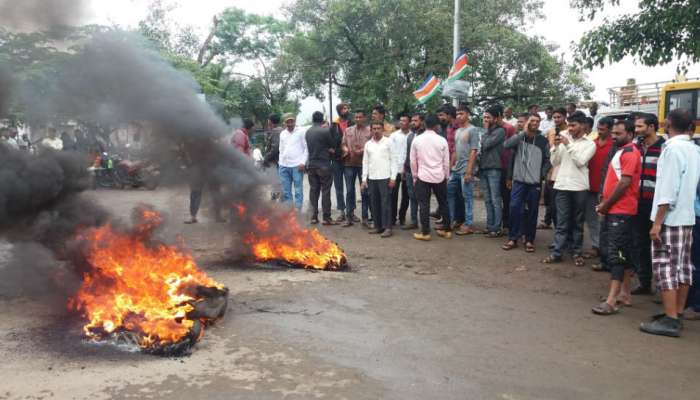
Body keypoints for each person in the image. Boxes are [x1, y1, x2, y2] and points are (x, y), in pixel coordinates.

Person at [640, 109, 700, 337]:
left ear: (667, 124)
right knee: (683, 267)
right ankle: (676, 312)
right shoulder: (694, 149)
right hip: (687, 216)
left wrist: (657, 223)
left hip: (671, 218)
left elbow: (667, 189)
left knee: (665, 267)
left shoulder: (672, 150)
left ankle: (671, 319)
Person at [591, 119, 641, 315]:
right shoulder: (622, 152)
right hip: (617, 210)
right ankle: (624, 294)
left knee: (616, 256)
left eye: (618, 134)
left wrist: (606, 204)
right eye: (613, 133)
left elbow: (624, 183)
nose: (614, 137)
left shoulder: (629, 153)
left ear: (630, 134)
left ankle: (611, 301)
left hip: (621, 211)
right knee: (623, 253)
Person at [542, 111, 595, 266]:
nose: (570, 128)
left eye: (573, 125)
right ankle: (557, 252)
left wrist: (567, 144)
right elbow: (554, 161)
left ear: (583, 126)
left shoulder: (590, 144)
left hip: (579, 187)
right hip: (562, 185)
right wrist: (556, 147)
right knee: (562, 222)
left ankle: (576, 252)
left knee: (578, 222)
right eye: (569, 125)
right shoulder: (564, 138)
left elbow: (580, 161)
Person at [502, 113, 550, 252]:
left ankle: (529, 240)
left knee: (533, 211)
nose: (535, 123)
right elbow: (506, 145)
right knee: (515, 208)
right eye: (532, 120)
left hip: (534, 183)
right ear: (526, 122)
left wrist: (541, 175)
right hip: (519, 181)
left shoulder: (543, 141)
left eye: (537, 121)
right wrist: (523, 132)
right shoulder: (519, 138)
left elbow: (548, 160)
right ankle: (513, 238)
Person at [631, 113, 665, 296]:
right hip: (638, 203)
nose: (636, 130)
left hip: (658, 205)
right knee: (640, 244)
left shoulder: (665, 148)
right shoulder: (636, 147)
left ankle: (663, 288)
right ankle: (644, 282)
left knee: (660, 245)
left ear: (652, 127)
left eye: (640, 127)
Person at [410, 114, 451, 241]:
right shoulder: (442, 140)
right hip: (440, 176)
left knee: (424, 204)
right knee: (444, 203)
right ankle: (446, 230)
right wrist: (446, 176)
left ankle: (425, 232)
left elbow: (413, 161)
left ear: (424, 124)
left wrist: (415, 176)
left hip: (423, 176)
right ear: (436, 126)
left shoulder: (417, 140)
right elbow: (446, 162)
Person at [583, 117, 614, 261]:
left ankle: (607, 249)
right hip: (589, 186)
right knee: (591, 219)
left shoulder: (614, 145)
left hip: (606, 189)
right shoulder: (591, 144)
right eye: (598, 129)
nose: (600, 132)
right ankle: (596, 246)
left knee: (605, 221)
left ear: (610, 129)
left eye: (603, 129)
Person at [362, 121, 398, 237]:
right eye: (374, 129)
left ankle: (387, 227)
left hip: (385, 177)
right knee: (374, 203)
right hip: (372, 178)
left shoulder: (389, 142)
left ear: (383, 129)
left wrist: (393, 178)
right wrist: (364, 179)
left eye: (378, 128)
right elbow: (365, 162)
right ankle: (378, 226)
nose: (376, 131)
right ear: (371, 130)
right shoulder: (368, 144)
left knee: (386, 203)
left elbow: (394, 160)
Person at [448, 105, 480, 235]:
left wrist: (469, 171)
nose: (458, 116)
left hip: (466, 169)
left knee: (467, 197)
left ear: (467, 114)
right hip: (456, 169)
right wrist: (450, 167)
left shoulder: (473, 130)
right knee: (450, 193)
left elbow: (474, 151)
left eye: (461, 113)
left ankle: (468, 224)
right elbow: (455, 151)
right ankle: (451, 219)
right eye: (457, 114)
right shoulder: (457, 131)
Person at [479, 105, 506, 237]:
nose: (485, 120)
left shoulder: (500, 131)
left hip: (494, 169)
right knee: (487, 199)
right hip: (483, 168)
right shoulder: (486, 132)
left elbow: (486, 144)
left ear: (495, 119)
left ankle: (497, 228)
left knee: (495, 199)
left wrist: (484, 132)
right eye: (484, 117)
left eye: (488, 117)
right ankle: (490, 226)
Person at [538, 107, 568, 229]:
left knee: (560, 203)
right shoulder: (550, 131)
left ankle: (562, 230)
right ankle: (549, 222)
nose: (556, 119)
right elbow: (548, 151)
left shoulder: (569, 131)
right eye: (555, 117)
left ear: (565, 117)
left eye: (558, 117)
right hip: (551, 169)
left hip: (564, 169)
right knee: (549, 199)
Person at [341, 110, 371, 227]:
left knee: (365, 192)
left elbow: (372, 146)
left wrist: (362, 150)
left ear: (364, 118)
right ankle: (349, 217)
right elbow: (343, 143)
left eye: (360, 117)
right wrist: (345, 149)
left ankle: (365, 218)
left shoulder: (369, 131)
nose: (358, 119)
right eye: (356, 117)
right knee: (349, 191)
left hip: (363, 165)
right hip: (349, 164)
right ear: (354, 119)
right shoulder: (348, 130)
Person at [306, 111, 336, 225]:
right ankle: (326, 218)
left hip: (312, 165)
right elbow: (332, 145)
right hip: (324, 164)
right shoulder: (325, 131)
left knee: (314, 191)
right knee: (325, 191)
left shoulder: (308, 132)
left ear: (313, 119)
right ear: (322, 119)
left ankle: (313, 217)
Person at [278, 114, 308, 212]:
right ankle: (289, 211)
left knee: (298, 190)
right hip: (284, 166)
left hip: (297, 166)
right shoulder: (282, 134)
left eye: (292, 121)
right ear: (284, 123)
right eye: (288, 121)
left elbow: (306, 148)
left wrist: (303, 162)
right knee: (286, 190)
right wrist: (280, 163)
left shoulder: (301, 132)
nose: (290, 123)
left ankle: (297, 209)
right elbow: (281, 149)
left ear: (295, 121)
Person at [401, 113, 425, 230]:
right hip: (410, 171)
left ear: (422, 122)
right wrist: (405, 169)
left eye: (416, 120)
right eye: (413, 121)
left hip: (422, 172)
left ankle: (424, 224)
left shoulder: (425, 136)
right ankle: (414, 221)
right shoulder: (410, 136)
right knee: (412, 196)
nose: (413, 123)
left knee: (422, 198)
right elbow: (408, 154)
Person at [330, 103, 353, 222]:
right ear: (339, 110)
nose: (346, 110)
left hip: (349, 160)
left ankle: (351, 212)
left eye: (347, 108)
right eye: (344, 108)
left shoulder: (352, 122)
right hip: (336, 160)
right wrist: (331, 149)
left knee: (350, 187)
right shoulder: (333, 125)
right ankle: (341, 211)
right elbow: (328, 139)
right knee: (339, 187)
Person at [389, 114, 410, 227]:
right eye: (400, 120)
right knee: (393, 195)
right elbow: (391, 153)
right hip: (395, 170)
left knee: (406, 196)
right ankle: (392, 218)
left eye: (404, 120)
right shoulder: (393, 136)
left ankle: (402, 217)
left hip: (407, 170)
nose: (401, 122)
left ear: (409, 122)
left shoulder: (413, 135)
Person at [500, 109, 517, 231]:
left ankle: (507, 221)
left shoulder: (509, 128)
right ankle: (500, 220)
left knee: (507, 197)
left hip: (507, 166)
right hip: (496, 166)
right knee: (497, 196)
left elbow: (512, 148)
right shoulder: (491, 127)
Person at [263, 114, 283, 201]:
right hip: (278, 161)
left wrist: (266, 158)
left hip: (275, 161)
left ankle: (276, 204)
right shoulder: (280, 130)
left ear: (270, 121)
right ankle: (278, 201)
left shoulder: (276, 131)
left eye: (268, 120)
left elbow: (275, 148)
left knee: (276, 184)